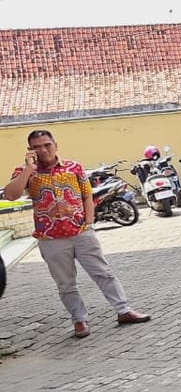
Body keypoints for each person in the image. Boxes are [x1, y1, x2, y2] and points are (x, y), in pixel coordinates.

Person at [4, 129, 151, 338]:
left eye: (47, 144)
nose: (43, 150)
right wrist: (29, 169)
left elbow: (86, 196)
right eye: (37, 147)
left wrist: (89, 223)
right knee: (66, 283)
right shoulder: (25, 172)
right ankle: (79, 320)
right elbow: (10, 195)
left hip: (82, 233)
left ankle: (123, 310)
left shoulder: (74, 167)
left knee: (103, 273)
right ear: (30, 150)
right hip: (50, 238)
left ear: (56, 144)